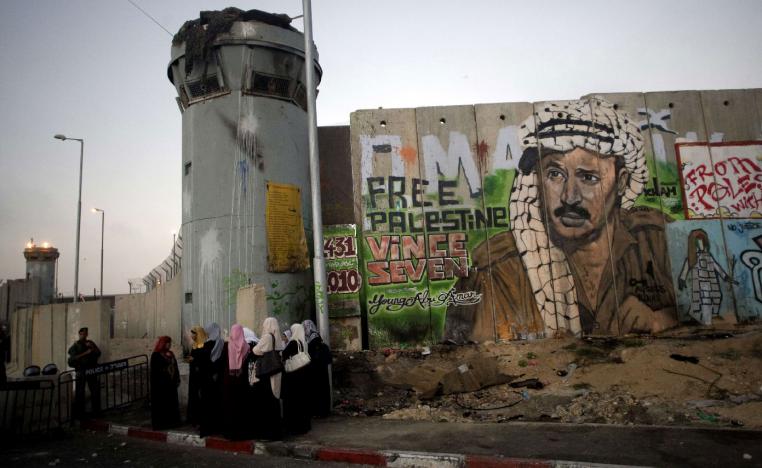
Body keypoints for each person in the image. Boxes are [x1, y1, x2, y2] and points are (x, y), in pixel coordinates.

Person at [445, 98, 677, 342]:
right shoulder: (496, 270)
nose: (569, 197)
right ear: (537, 179)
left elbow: (714, 315)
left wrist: (663, 319)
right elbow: (464, 360)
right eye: (555, 174)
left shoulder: (660, 239)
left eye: (588, 177)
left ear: (620, 183)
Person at [251, 317, 284, 440]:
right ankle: (276, 433)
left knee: (267, 403)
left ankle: (268, 433)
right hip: (275, 372)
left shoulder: (267, 337)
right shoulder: (276, 337)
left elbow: (256, 350)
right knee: (274, 402)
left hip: (266, 373)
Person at [222, 324, 256, 440]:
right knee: (242, 407)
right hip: (243, 383)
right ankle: (243, 433)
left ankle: (230, 433)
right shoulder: (247, 347)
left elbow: (223, 365)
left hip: (229, 383)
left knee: (230, 407)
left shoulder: (226, 346)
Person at [281, 323, 312, 435]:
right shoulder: (304, 342)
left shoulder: (293, 342)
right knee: (302, 400)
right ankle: (304, 425)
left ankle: (294, 426)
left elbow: (284, 354)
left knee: (293, 400)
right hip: (303, 374)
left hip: (294, 375)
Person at [199, 322, 227, 437]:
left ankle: (208, 428)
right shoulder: (223, 344)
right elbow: (224, 361)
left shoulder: (205, 345)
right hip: (219, 380)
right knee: (218, 403)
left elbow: (202, 364)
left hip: (207, 380)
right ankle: (218, 427)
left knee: (207, 405)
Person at [67, 327, 101, 417]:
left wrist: (92, 348)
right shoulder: (75, 345)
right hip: (81, 371)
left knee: (95, 390)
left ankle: (96, 411)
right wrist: (86, 353)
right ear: (79, 334)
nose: (84, 335)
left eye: (85, 333)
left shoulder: (90, 343)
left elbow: (98, 353)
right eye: (82, 333)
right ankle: (80, 413)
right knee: (80, 392)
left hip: (91, 370)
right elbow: (72, 359)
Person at [150, 336, 180, 429]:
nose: (169, 344)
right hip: (161, 386)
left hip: (171, 384)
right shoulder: (156, 355)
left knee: (171, 404)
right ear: (163, 343)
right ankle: (161, 424)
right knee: (162, 405)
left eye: (170, 343)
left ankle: (172, 422)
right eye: (167, 342)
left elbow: (175, 367)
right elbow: (155, 371)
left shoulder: (170, 354)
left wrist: (177, 378)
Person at [303, 319, 332, 417]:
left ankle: (320, 411)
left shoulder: (313, 338)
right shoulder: (315, 336)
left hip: (316, 369)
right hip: (320, 369)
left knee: (318, 390)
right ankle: (322, 411)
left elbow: (311, 352)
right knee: (321, 389)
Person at [186, 325, 207, 425]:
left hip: (200, 376)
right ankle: (192, 417)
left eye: (194, 333)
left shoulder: (204, 346)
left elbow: (204, 362)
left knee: (199, 396)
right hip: (193, 375)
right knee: (193, 395)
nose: (192, 335)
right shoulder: (195, 345)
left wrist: (194, 360)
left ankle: (199, 418)